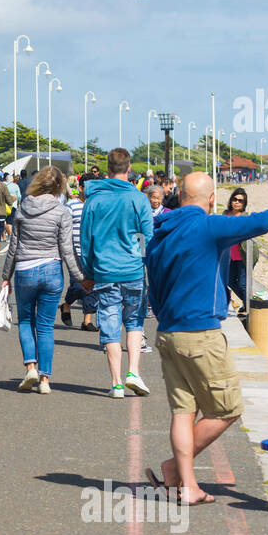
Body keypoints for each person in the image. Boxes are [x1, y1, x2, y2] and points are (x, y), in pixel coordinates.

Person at [144, 173, 268, 505]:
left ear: (180, 196)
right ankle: (174, 469)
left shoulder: (159, 234)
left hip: (168, 332)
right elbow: (258, 223)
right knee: (227, 409)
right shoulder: (208, 227)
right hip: (199, 333)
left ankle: (186, 485)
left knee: (183, 412)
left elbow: (154, 290)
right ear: (212, 197)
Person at [1, 167, 90, 394]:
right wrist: (80, 278)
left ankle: (30, 365)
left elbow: (13, 246)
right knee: (45, 327)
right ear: (60, 186)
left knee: (25, 321)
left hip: (25, 270)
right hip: (52, 270)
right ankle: (44, 380)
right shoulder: (62, 211)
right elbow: (67, 250)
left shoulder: (22, 208)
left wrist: (5, 277)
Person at [82, 148, 154, 398]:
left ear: (107, 169)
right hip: (133, 270)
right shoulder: (139, 199)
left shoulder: (94, 200)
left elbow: (86, 241)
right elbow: (148, 237)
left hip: (104, 271)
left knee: (110, 327)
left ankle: (117, 384)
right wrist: (143, 261)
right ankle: (133, 371)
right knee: (134, 322)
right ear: (129, 168)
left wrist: (88, 272)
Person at [60, 176, 96, 331]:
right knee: (78, 284)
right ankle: (66, 305)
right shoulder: (70, 206)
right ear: (80, 188)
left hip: (93, 252)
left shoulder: (96, 205)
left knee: (93, 286)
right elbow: (63, 229)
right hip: (74, 252)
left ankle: (87, 320)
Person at [223, 188, 250, 313]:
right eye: (235, 199)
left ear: (244, 204)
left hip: (243, 255)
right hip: (229, 256)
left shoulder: (245, 217)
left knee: (243, 284)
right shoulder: (225, 214)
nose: (237, 202)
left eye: (240, 201)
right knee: (230, 281)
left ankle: (248, 307)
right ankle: (248, 303)